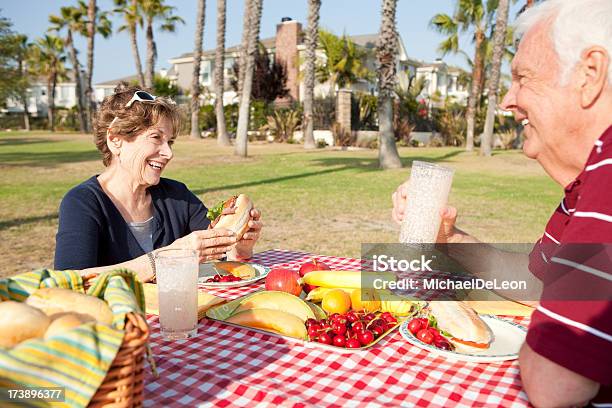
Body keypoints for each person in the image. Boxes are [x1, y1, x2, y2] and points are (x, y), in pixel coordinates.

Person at [392, 0, 611, 406]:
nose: (508, 100)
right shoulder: (587, 181)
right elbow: (537, 284)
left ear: (590, 74)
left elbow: (553, 386)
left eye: (522, 78)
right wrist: (449, 239)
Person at [54, 84, 263, 282]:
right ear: (115, 139)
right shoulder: (83, 202)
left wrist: (240, 247)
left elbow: (220, 257)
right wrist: (169, 257)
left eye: (170, 142)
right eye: (156, 137)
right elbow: (70, 282)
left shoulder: (177, 195)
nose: (168, 153)